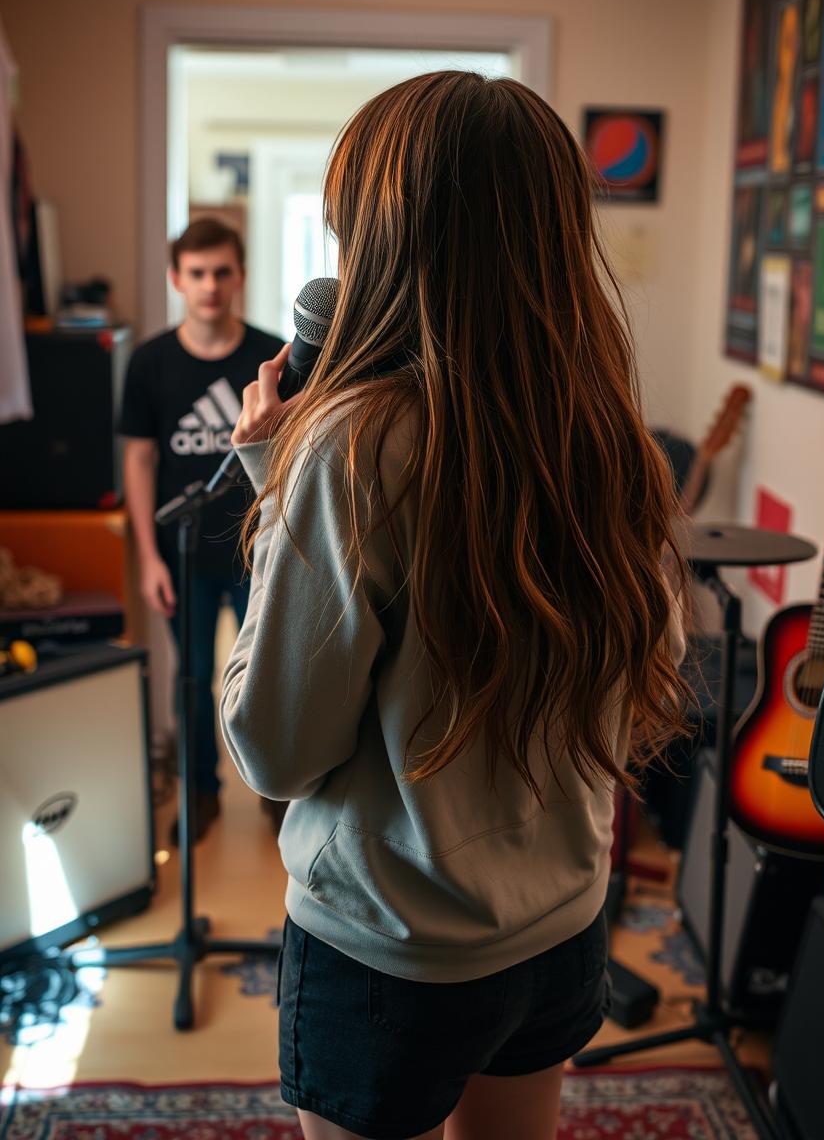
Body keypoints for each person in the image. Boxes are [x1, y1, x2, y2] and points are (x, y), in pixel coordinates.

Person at [220, 73, 689, 1140]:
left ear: (389, 241)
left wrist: (282, 485)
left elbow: (277, 751)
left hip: (393, 951)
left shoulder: (349, 447)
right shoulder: (608, 430)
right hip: (561, 927)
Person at [120, 217, 288, 845]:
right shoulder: (150, 362)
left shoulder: (271, 359)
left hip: (259, 553)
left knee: (268, 681)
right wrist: (147, 558)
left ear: (239, 277)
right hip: (181, 554)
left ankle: (277, 794)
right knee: (191, 680)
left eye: (222, 272)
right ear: (176, 279)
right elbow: (138, 460)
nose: (210, 286)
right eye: (197, 274)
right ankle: (201, 794)